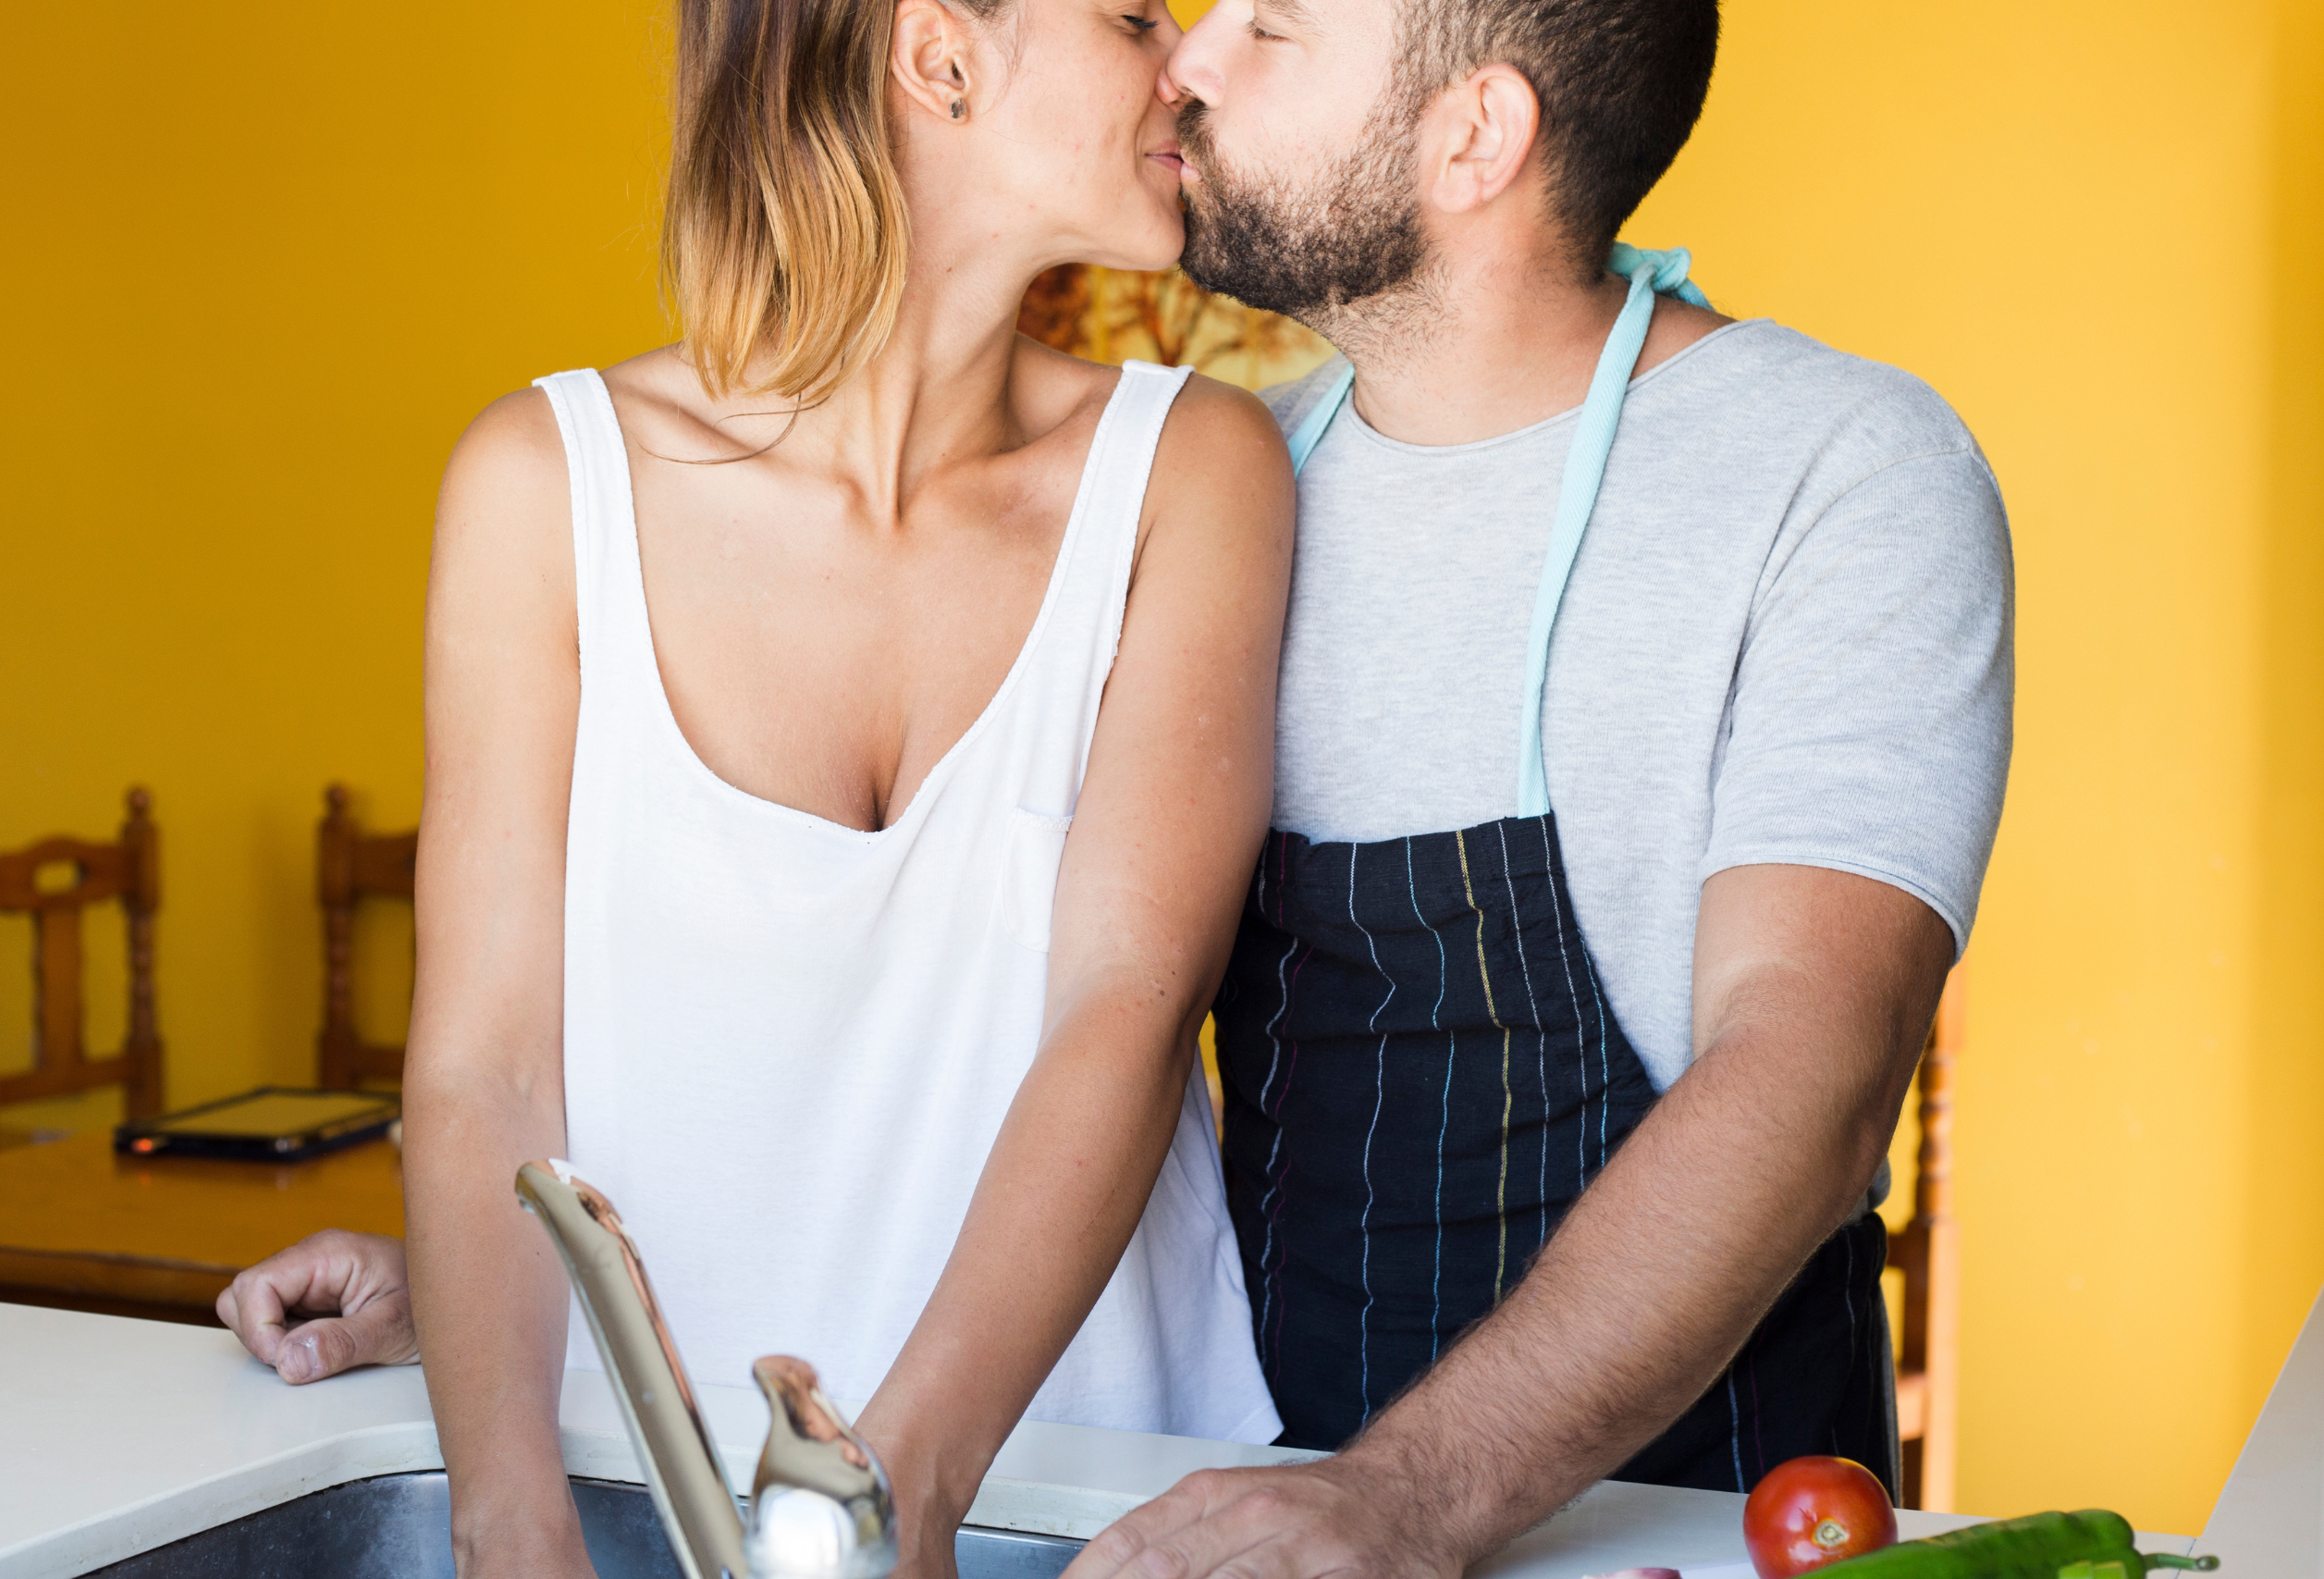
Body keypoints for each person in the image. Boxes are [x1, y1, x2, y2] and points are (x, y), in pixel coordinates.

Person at [218, 0, 1297, 1573]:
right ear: (940, 57)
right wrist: (509, 1514)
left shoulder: (1195, 469)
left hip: (1090, 1501)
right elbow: (484, 1075)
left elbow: (1126, 1005)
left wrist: (890, 1498)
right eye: (1135, 15)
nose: (1187, 63)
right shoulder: (542, 485)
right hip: (647, 1487)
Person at [1060, 0, 2010, 1573]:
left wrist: (1403, 1496)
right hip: (1259, 1504)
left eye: (1272, 31)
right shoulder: (1227, 492)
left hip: (1693, 1511)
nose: (1189, 65)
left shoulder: (1845, 470)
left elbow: (1812, 1072)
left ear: (1474, 139)